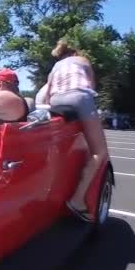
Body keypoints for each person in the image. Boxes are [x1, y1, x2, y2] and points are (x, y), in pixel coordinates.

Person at [40, 38, 109, 221]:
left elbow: (47, 96)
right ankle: (78, 200)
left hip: (56, 100)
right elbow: (91, 87)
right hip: (79, 98)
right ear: (74, 52)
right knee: (100, 152)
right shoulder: (83, 60)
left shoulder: (56, 67)